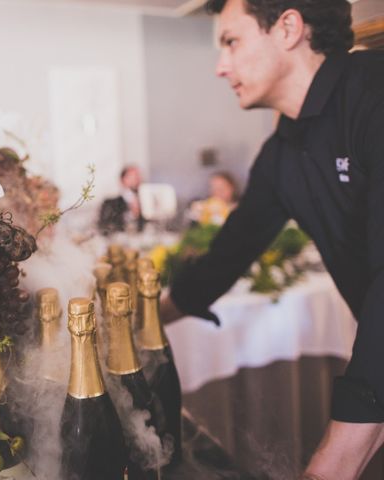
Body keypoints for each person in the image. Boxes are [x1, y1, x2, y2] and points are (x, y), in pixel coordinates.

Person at [162, 0, 384, 478]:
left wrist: (333, 461)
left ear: (288, 28)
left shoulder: (375, 92)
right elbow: (230, 253)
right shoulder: (283, 152)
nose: (221, 67)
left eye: (231, 41)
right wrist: (146, 322)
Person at [98, 165, 145, 234]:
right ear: (122, 180)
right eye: (132, 177)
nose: (136, 179)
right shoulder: (110, 204)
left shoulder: (145, 203)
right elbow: (104, 226)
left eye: (138, 176)